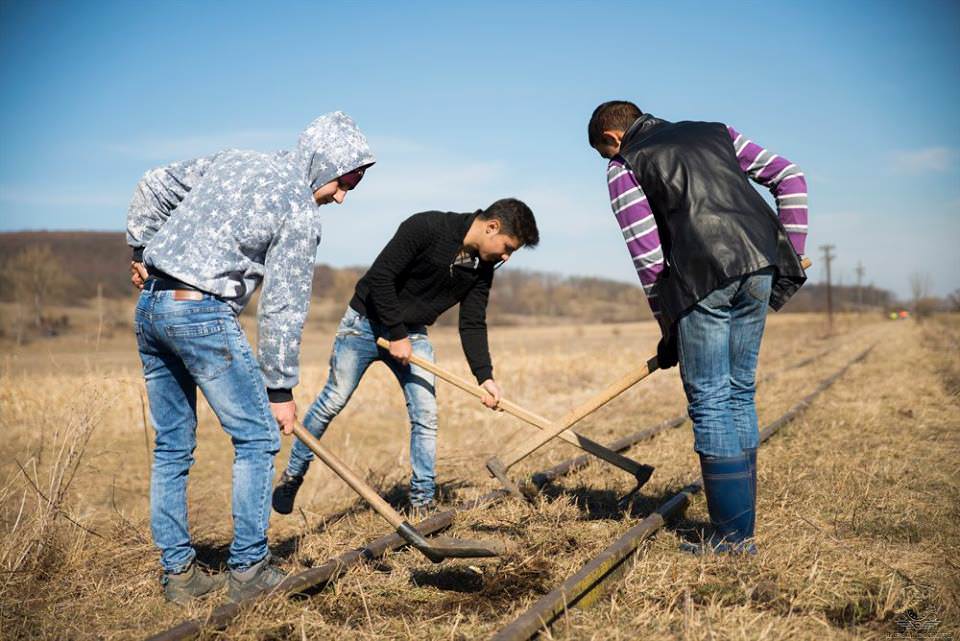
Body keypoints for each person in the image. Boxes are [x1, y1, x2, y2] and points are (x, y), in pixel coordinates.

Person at [126, 112, 375, 603]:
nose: (342, 196)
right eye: (344, 181)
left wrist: (140, 247)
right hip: (202, 313)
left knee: (173, 444)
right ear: (322, 163)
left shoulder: (235, 160)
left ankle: (179, 576)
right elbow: (283, 305)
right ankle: (249, 570)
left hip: (152, 306)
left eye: (353, 186)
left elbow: (153, 184)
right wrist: (279, 389)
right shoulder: (300, 209)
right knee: (259, 438)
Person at [587, 101, 808, 553]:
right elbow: (790, 176)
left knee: (710, 399)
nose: (607, 160)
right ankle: (741, 531)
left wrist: (667, 324)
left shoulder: (623, 164)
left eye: (603, 152)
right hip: (760, 264)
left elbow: (647, 258)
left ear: (611, 139)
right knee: (739, 390)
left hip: (701, 277)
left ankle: (731, 539)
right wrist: (792, 247)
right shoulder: (717, 132)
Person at [272, 199, 540, 516]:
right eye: (508, 247)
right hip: (364, 324)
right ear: (492, 226)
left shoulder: (482, 268)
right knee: (334, 398)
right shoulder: (427, 227)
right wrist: (396, 334)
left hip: (412, 334)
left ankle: (421, 502)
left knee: (426, 413)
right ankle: (293, 475)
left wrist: (486, 377)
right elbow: (380, 278)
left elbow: (472, 323)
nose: (507, 257)